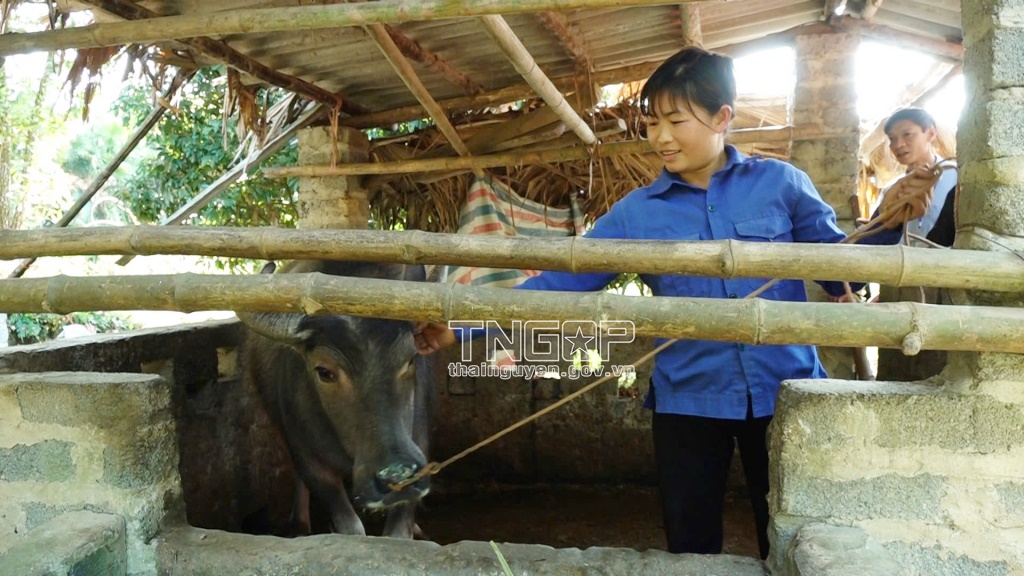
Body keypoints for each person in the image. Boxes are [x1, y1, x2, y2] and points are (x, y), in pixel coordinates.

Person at [414, 46, 922, 560]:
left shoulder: (782, 185)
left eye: (675, 121)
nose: (660, 137)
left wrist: (891, 220)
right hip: (688, 404)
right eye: (652, 122)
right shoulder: (637, 214)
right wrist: (463, 326)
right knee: (690, 551)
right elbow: (559, 285)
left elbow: (842, 268)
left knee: (796, 543)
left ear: (722, 117)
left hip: (786, 393)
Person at [881, 107, 958, 247]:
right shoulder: (890, 190)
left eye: (907, 134)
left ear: (931, 134)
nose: (898, 144)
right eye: (892, 138)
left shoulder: (957, 177)